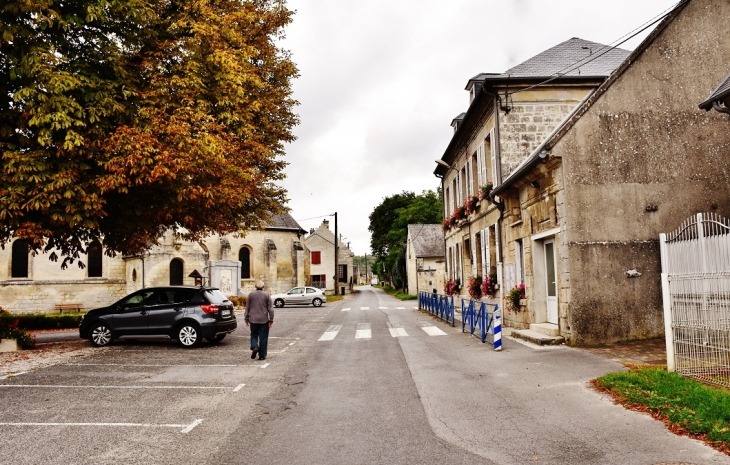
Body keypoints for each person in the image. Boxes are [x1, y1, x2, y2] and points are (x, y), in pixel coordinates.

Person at [244, 281, 274, 361]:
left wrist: (246, 319)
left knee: (253, 335)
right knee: (263, 337)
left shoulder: (251, 295)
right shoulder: (267, 295)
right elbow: (270, 309)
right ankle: (262, 355)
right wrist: (271, 320)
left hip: (253, 319)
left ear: (255, 286)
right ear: (263, 286)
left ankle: (255, 347)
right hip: (264, 320)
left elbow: (247, 308)